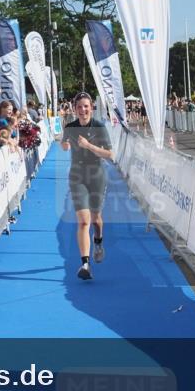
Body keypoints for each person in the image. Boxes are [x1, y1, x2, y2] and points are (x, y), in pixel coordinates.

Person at [60, 93, 113, 281]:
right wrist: (64, 144)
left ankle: (98, 241)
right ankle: (85, 263)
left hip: (97, 175)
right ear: (74, 109)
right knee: (83, 221)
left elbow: (110, 154)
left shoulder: (99, 127)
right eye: (79, 107)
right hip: (77, 176)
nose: (83, 110)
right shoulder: (70, 127)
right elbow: (64, 145)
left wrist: (89, 145)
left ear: (91, 107)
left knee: (96, 218)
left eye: (86, 106)